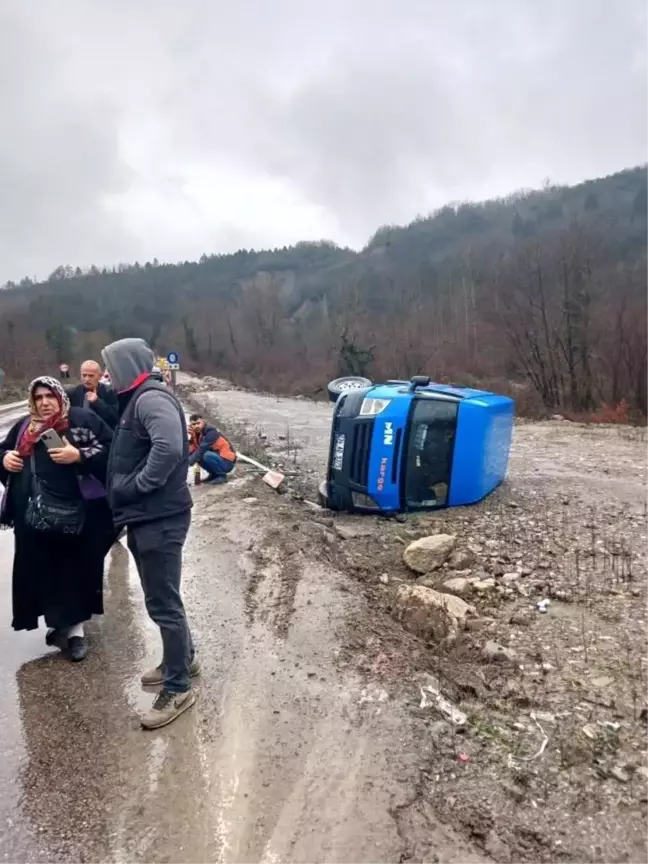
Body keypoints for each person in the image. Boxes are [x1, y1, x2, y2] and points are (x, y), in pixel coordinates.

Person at [101, 337, 198, 730]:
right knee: (164, 598)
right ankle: (183, 660)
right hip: (150, 517)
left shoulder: (150, 398)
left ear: (127, 365)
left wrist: (138, 485)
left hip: (160, 516)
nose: (107, 376)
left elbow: (169, 448)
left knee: (163, 603)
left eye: (110, 368)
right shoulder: (139, 397)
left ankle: (178, 688)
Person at [0, 377, 114, 661]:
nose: (44, 402)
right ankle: (58, 623)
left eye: (49, 395)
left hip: (73, 517)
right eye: (38, 397)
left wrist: (80, 455)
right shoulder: (25, 427)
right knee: (43, 572)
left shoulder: (80, 420)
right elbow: (3, 450)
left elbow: (113, 451)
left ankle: (76, 633)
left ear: (60, 396)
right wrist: (5, 459)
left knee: (70, 571)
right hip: (32, 519)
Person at [67, 360, 119, 429]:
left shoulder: (109, 392)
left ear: (100, 376)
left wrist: (97, 402)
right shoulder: (74, 393)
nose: (87, 379)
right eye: (84, 375)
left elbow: (115, 418)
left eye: (91, 376)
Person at [188, 414, 236, 484]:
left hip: (227, 463)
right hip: (217, 458)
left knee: (204, 454)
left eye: (198, 423)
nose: (196, 426)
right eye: (194, 424)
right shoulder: (195, 433)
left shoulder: (211, 431)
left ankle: (222, 476)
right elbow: (192, 448)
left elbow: (202, 449)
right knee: (195, 455)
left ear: (203, 422)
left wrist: (188, 463)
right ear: (191, 425)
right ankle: (213, 475)